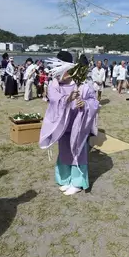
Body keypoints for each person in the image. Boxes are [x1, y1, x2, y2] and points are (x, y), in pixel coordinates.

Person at [39, 52, 99, 196]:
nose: (60, 75)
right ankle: (65, 178)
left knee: (77, 151)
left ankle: (77, 183)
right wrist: (68, 98)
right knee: (65, 151)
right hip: (63, 126)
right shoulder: (55, 85)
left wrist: (83, 103)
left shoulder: (83, 85)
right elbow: (54, 99)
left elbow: (94, 103)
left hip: (78, 126)